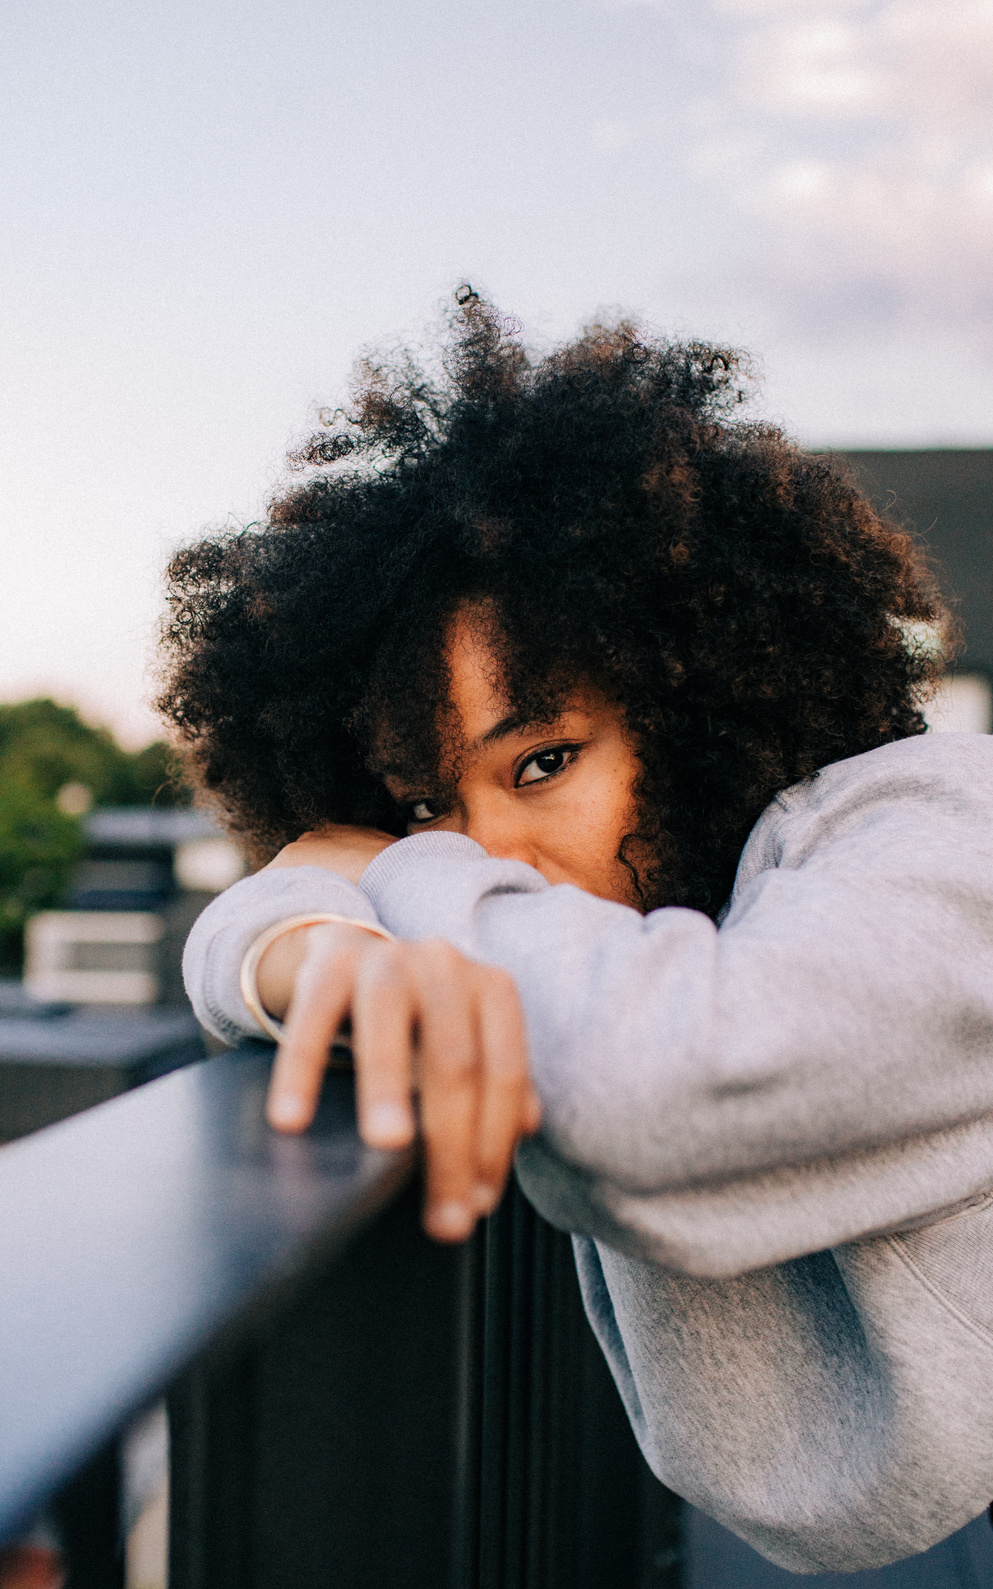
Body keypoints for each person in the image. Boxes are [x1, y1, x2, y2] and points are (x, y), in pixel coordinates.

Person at [162, 290, 993, 1574]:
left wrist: (405, 866)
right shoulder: (656, 912)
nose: (492, 856)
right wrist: (314, 937)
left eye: (544, 759)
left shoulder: (945, 828)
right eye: (432, 806)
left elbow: (649, 1083)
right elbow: (264, 919)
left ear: (698, 690)